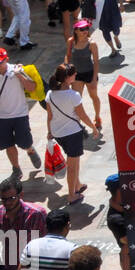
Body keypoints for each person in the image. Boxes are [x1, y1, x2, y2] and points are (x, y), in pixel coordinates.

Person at [0, 47, 42, 180]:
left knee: (24, 142)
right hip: (1, 117)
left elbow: (32, 87)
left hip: (20, 114)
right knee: (8, 144)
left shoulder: (18, 70)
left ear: (6, 59)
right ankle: (16, 169)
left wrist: (19, 75)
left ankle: (30, 149)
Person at [45, 64, 97, 204]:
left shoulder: (50, 94)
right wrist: (94, 127)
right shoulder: (73, 95)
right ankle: (72, 195)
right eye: (74, 74)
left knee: (74, 160)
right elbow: (83, 116)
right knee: (73, 165)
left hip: (58, 133)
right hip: (72, 133)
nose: (76, 75)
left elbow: (49, 116)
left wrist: (49, 131)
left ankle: (78, 185)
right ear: (68, 78)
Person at [65, 20, 103, 134]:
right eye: (82, 29)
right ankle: (78, 121)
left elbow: (96, 62)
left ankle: (97, 116)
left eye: (86, 29)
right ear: (76, 31)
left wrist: (94, 79)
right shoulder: (71, 41)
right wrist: (67, 71)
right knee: (76, 99)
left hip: (89, 73)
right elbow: (68, 56)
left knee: (94, 96)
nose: (85, 31)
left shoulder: (92, 44)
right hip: (76, 75)